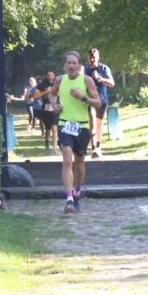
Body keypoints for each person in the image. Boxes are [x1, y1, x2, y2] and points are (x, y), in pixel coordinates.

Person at [48, 51, 101, 214]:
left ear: (79, 66)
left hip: (82, 127)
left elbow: (98, 103)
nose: (71, 66)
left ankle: (77, 191)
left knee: (79, 164)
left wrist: (82, 97)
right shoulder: (59, 80)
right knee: (66, 160)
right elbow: (51, 93)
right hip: (65, 124)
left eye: (74, 63)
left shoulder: (87, 80)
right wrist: (54, 104)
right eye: (69, 63)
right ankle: (69, 198)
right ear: (64, 66)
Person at [84, 48, 114, 159]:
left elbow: (112, 83)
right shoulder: (85, 70)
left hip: (102, 100)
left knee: (99, 124)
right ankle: (94, 149)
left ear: (98, 57)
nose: (92, 60)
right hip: (90, 100)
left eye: (94, 57)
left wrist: (100, 78)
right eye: (90, 58)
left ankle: (98, 147)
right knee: (92, 122)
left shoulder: (104, 68)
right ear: (87, 59)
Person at [34, 70, 58, 149]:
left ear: (54, 75)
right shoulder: (42, 84)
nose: (50, 77)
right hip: (46, 109)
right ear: (46, 76)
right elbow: (35, 96)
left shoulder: (58, 82)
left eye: (52, 75)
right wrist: (45, 92)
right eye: (49, 75)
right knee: (48, 129)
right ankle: (47, 139)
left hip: (56, 108)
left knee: (54, 128)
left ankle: (55, 148)